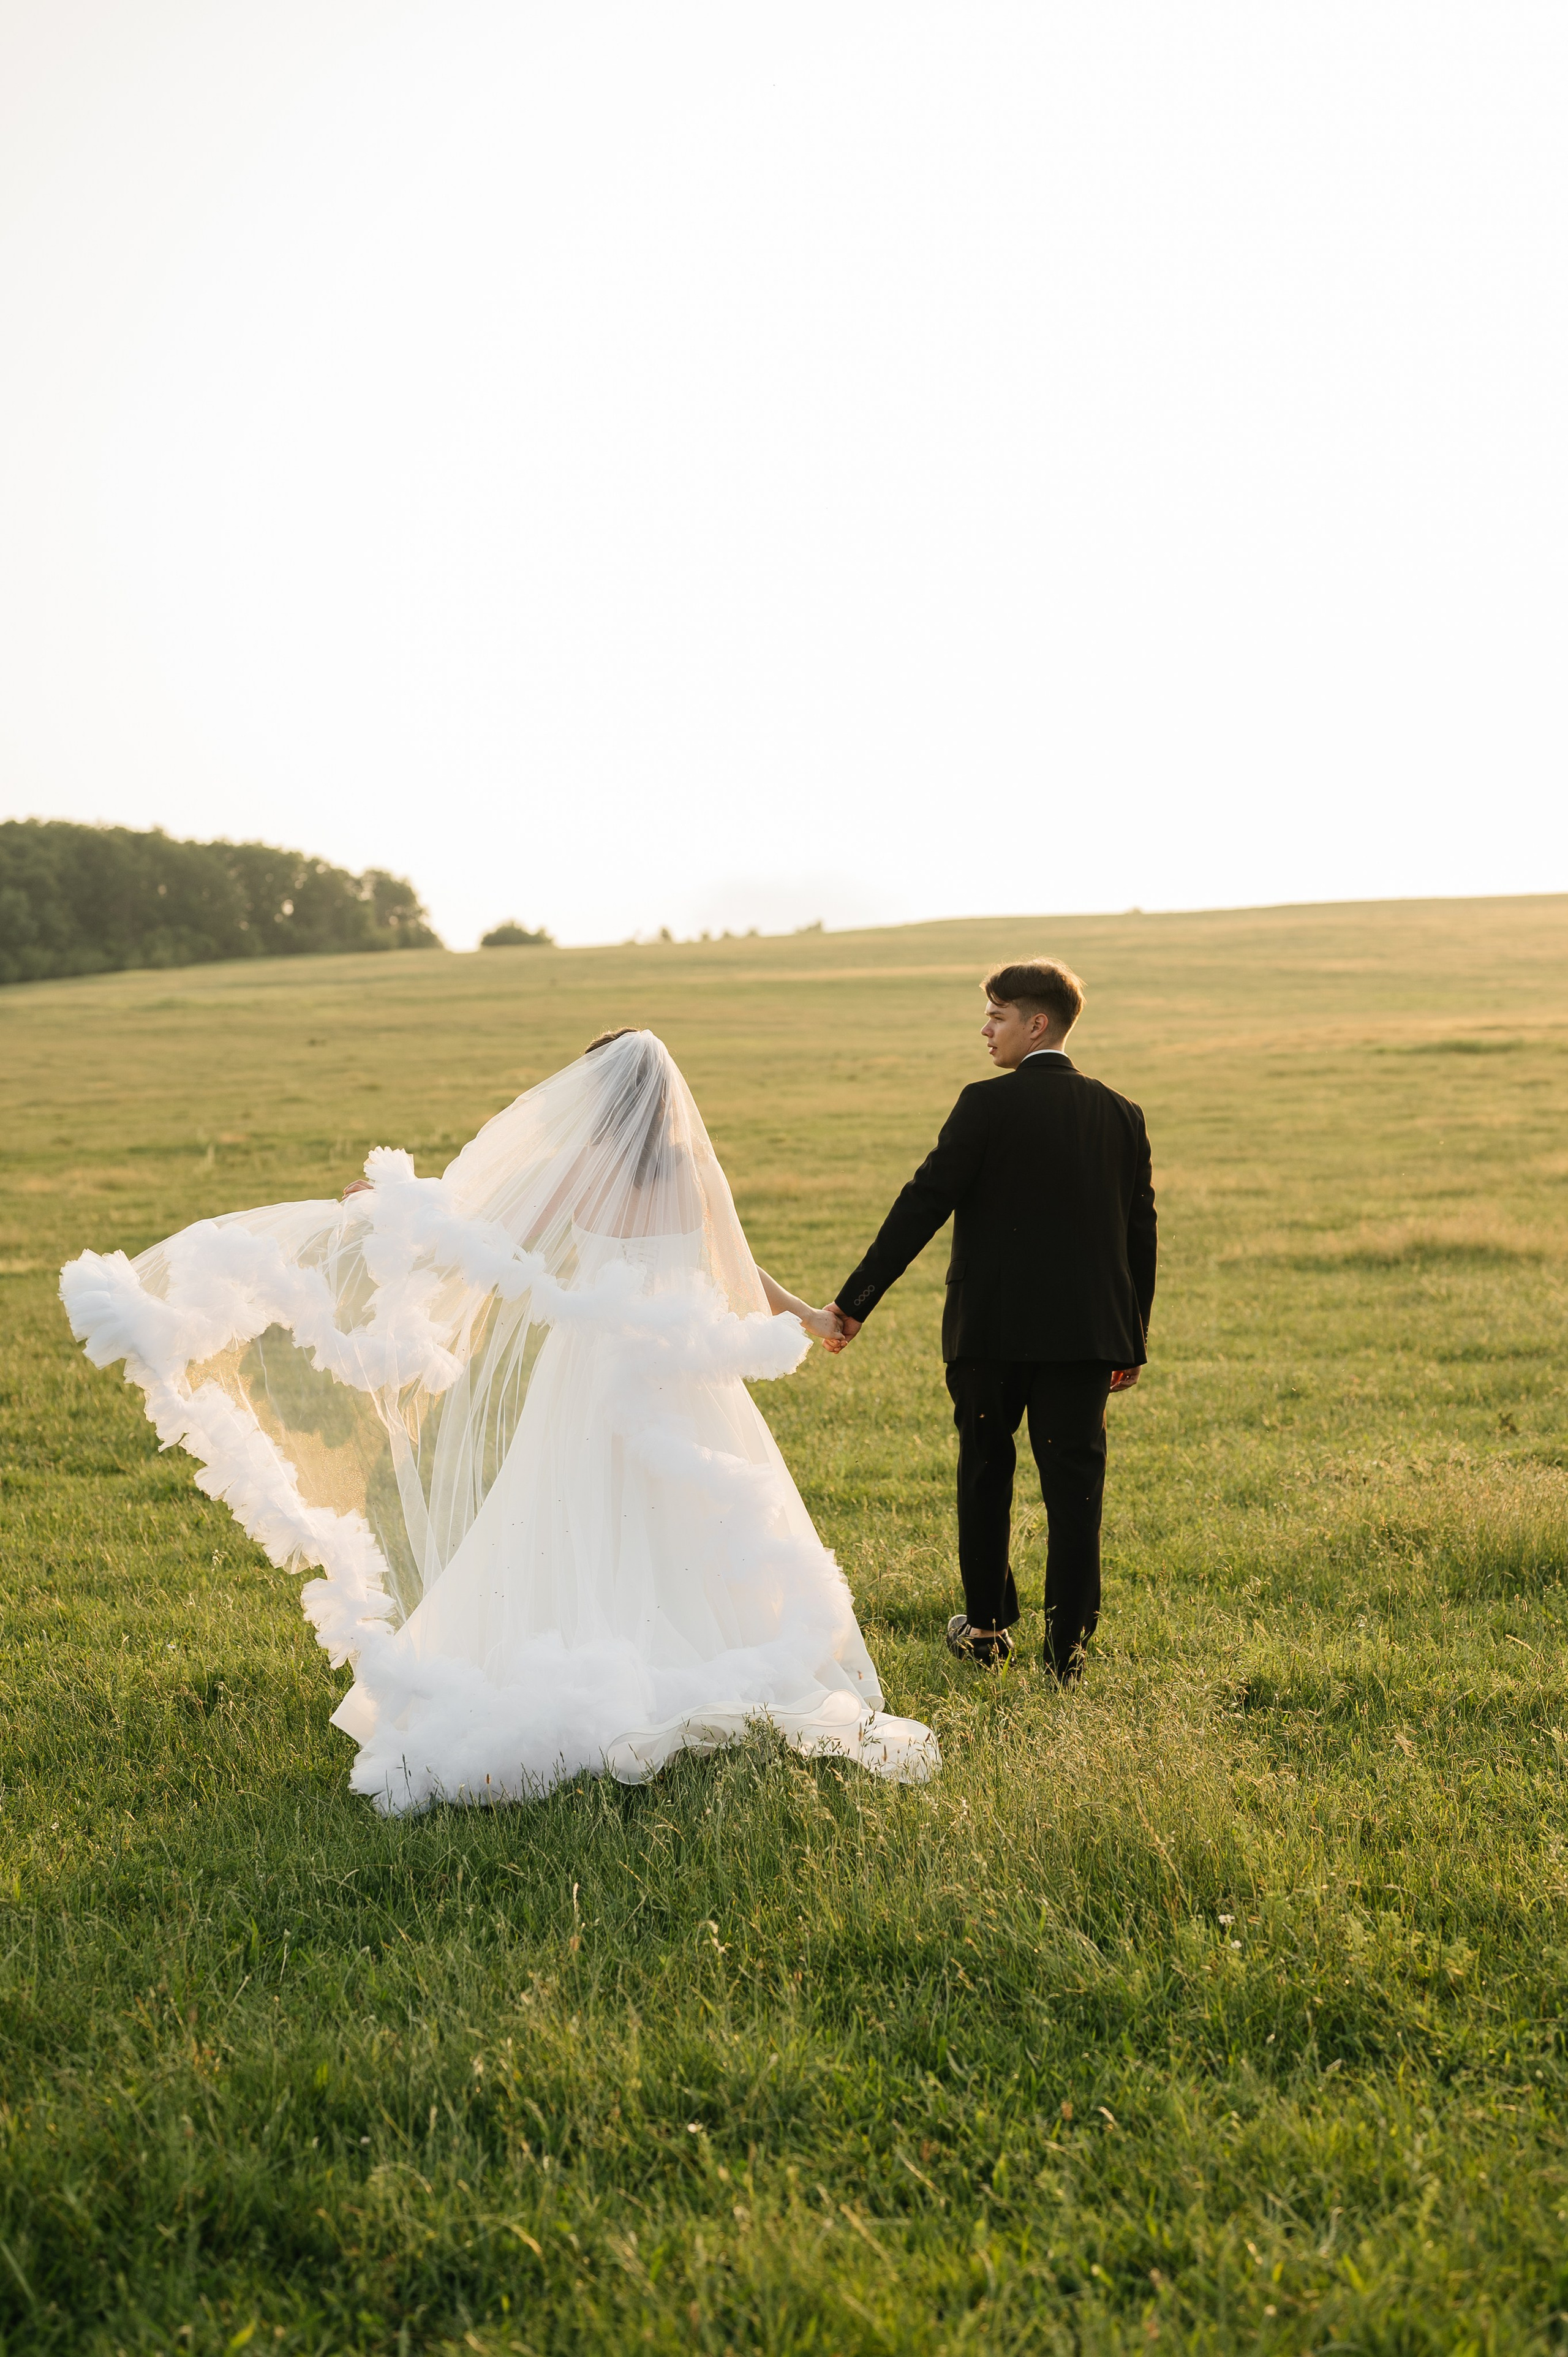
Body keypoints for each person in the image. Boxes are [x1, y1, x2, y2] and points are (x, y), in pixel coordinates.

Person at [60, 1028, 938, 1810]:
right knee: (698, 1523)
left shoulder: (587, 1168)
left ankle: (608, 1666)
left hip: (597, 1368)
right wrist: (815, 1319)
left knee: (576, 1510)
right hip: (682, 1374)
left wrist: (381, 1210)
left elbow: (490, 1234)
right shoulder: (693, 1168)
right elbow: (743, 1278)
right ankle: (715, 1664)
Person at [827, 960, 1155, 1683]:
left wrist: (855, 1302)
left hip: (989, 1335)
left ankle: (984, 1628)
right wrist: (1130, 1335)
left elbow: (922, 1203)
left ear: (1037, 1023)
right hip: (1084, 1341)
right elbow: (1140, 1234)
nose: (985, 1029)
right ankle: (1065, 1653)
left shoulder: (983, 1104)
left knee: (984, 1470)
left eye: (996, 1015)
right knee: (1076, 1492)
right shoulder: (1121, 1112)